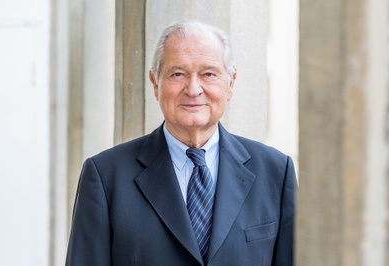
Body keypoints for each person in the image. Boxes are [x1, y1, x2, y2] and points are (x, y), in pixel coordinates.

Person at [66, 20, 295, 266]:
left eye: (208, 73)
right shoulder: (105, 175)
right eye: (178, 74)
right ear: (155, 83)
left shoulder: (275, 172)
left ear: (231, 83)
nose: (194, 89)